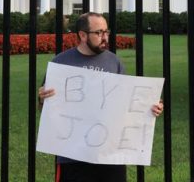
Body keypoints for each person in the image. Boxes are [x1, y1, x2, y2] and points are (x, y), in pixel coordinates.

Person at [38, 12, 164, 182]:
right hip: (72, 156)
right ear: (82, 35)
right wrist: (42, 99)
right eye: (98, 33)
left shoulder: (114, 62)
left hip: (110, 155)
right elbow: (46, 109)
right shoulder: (60, 63)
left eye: (106, 32)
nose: (105, 37)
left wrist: (149, 108)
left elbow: (125, 105)